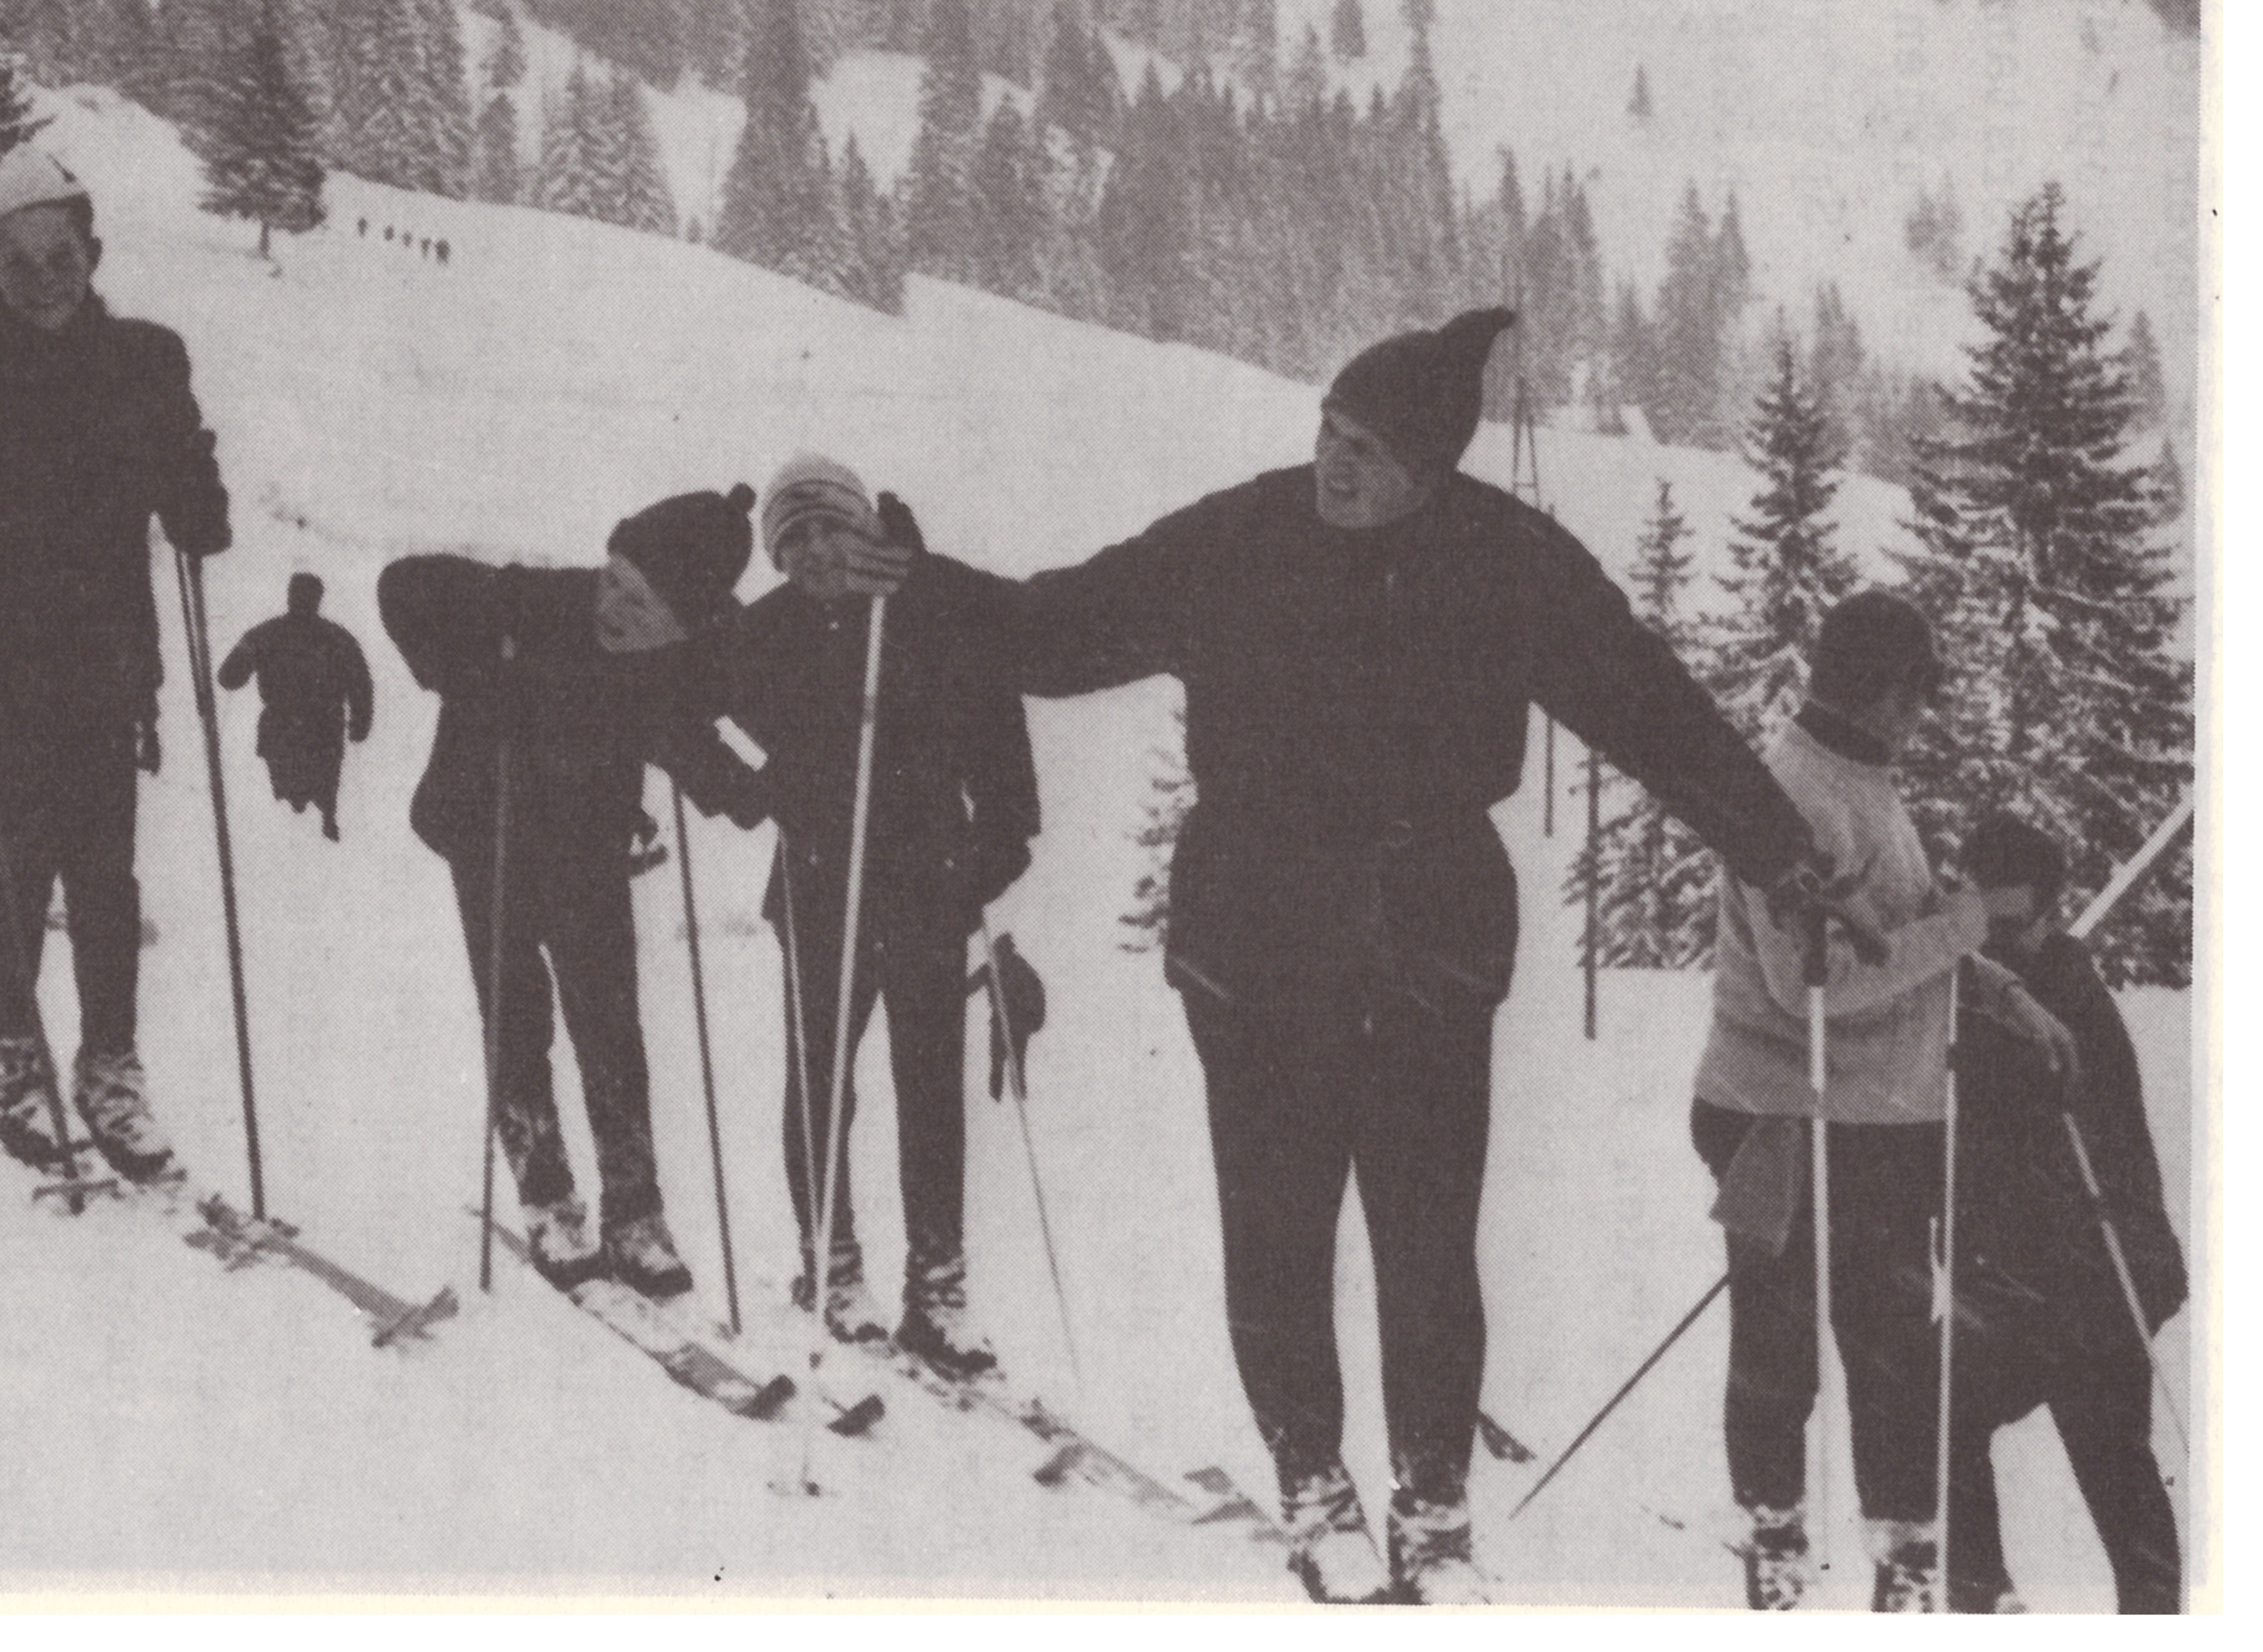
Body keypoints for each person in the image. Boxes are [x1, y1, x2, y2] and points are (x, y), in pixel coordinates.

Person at [843, 308, 1853, 1603]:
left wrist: (1771, 847)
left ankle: (1430, 1509)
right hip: (1252, 935)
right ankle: (1310, 1479)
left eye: (1366, 449)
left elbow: (1647, 706)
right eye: (1327, 431)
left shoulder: (1508, 560)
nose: (1332, 463)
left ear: (1432, 468)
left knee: (1428, 1241)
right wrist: (926, 587)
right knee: (1275, 1231)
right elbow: (1061, 627)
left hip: (1426, 937)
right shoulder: (1241, 535)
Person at [1689, 592, 2079, 1612]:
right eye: (1916, 692)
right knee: (1783, 1352)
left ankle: (1903, 1567)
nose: (1923, 713)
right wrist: (1965, 928)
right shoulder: (1794, 795)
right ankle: (1777, 1545)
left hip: (1883, 1126)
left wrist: (2003, 990)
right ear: (1870, 687)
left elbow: (1906, 928)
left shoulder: (1863, 780)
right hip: (1790, 1117)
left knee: (1894, 1356)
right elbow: (1814, 988)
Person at [0, 143, 230, 1181]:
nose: (45, 282)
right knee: (9, 856)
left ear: (92, 253)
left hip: (106, 655)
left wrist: (195, 494)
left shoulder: (141, 364)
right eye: (20, 265)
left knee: (105, 871)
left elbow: (185, 480)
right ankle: (13, 1056)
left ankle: (110, 1064)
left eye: (62, 258)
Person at [377, 487, 762, 1297]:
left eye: (645, 604)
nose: (617, 607)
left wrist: (750, 792)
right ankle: (548, 1196)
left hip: (586, 847)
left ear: (681, 624)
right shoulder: (531, 599)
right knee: (515, 1013)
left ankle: (636, 1213)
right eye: (616, 579)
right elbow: (402, 585)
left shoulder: (667, 662)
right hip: (488, 830)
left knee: (610, 1024)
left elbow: (683, 734)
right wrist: (463, 669)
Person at [726, 455, 1038, 1377]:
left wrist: (987, 856)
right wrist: (763, 784)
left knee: (930, 1091)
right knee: (824, 1079)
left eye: (832, 527)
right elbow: (711, 718)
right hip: (822, 885)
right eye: (795, 539)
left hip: (930, 886)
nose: (818, 550)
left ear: (867, 529)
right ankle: (833, 1265)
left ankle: (936, 1289)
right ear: (777, 559)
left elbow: (1006, 769)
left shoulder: (934, 617)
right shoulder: (765, 632)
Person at [1943, 813, 2185, 1614]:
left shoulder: (2080, 1008)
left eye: (2012, 926)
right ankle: (1984, 1602)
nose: (1994, 943)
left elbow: (2117, 1171)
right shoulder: (1966, 988)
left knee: (2121, 1486)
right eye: (1980, 923)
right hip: (2010, 1285)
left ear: (2051, 914)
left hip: (2095, 1288)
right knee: (1929, 1401)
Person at [217, 572, 375, 838]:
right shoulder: (339, 638)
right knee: (318, 782)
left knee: (294, 787)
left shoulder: (265, 633)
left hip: (286, 727)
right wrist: (361, 721)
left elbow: (229, 676)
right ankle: (322, 817)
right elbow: (361, 684)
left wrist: (361, 720)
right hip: (320, 730)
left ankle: (305, 815)